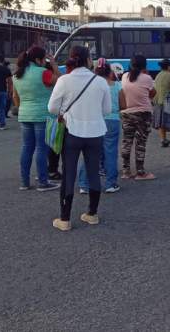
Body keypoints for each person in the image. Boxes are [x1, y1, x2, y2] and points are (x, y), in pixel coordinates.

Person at [48, 46, 111, 231]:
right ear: (88, 60)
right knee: (93, 172)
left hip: (72, 131)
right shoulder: (100, 81)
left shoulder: (64, 80)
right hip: (96, 132)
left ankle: (65, 219)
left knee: (69, 173)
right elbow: (106, 110)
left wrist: (64, 113)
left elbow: (51, 108)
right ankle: (92, 214)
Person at [13, 46, 60, 191]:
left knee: (27, 147)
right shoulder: (43, 73)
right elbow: (60, 81)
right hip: (42, 114)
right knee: (41, 148)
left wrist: (22, 109)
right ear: (39, 59)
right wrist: (53, 64)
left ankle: (24, 182)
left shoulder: (17, 74)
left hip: (25, 114)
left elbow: (15, 97)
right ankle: (43, 181)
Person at [77, 58, 122, 194]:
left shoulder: (91, 84)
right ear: (109, 72)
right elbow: (124, 104)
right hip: (113, 120)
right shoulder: (117, 85)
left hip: (94, 120)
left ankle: (84, 184)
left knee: (90, 153)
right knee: (111, 153)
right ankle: (110, 184)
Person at [120, 54, 156, 180]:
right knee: (140, 143)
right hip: (143, 113)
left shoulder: (124, 76)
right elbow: (152, 93)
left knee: (126, 142)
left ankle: (126, 171)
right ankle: (140, 172)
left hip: (126, 113)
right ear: (144, 66)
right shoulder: (147, 78)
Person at [152, 59, 170, 147]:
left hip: (158, 101)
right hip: (168, 102)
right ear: (169, 66)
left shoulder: (158, 75)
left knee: (161, 122)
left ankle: (163, 140)